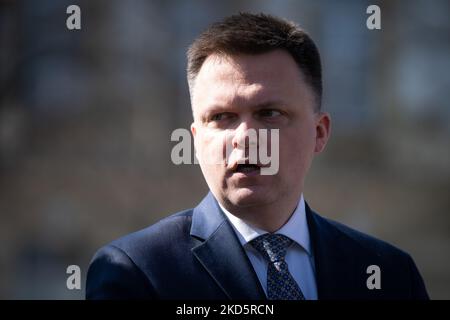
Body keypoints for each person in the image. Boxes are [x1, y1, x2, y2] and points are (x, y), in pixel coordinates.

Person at [86, 13, 429, 300]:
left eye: (269, 113)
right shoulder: (137, 272)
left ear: (319, 133)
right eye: (221, 117)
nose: (245, 138)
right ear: (196, 139)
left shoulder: (391, 275)